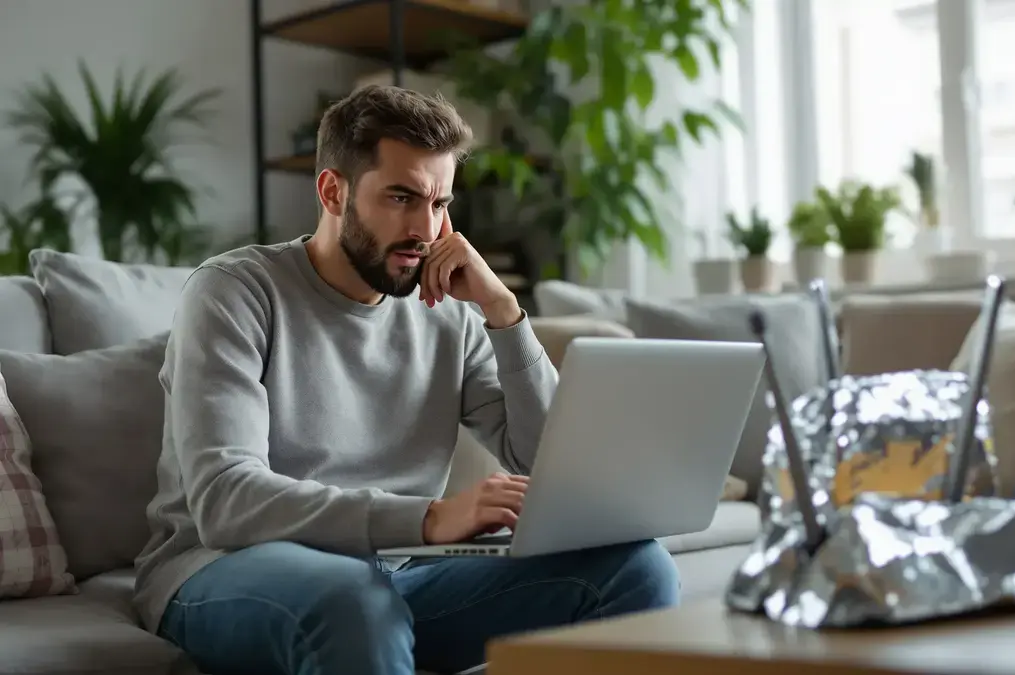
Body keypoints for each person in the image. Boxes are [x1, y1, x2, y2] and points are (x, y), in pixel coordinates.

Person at [132, 85, 680, 675]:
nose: (427, 228)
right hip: (224, 567)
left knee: (635, 569)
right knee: (353, 604)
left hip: (395, 573)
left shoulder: (450, 315)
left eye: (440, 203)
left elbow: (545, 461)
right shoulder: (235, 292)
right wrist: (428, 518)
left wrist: (504, 313)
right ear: (333, 191)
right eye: (402, 197)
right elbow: (226, 500)